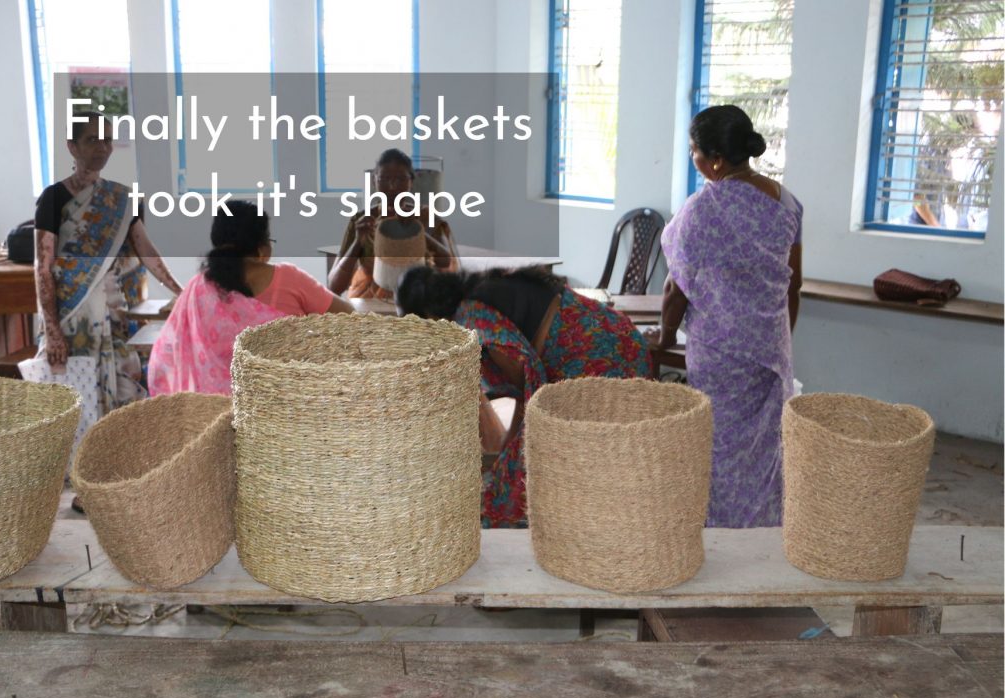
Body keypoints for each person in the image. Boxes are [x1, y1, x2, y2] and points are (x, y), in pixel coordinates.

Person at [397, 265, 651, 528]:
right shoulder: (476, 292)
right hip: (617, 336)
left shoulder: (473, 318)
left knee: (556, 471)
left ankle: (596, 528)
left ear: (428, 315)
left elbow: (531, 387)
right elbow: (527, 390)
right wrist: (509, 449)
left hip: (606, 355)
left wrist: (510, 466)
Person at [654, 104, 803, 528]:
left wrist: (664, 336)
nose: (692, 158)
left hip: (720, 354)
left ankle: (718, 530)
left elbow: (675, 287)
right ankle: (762, 531)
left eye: (693, 151)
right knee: (765, 447)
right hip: (771, 350)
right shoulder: (788, 203)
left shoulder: (702, 210)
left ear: (714, 158)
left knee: (718, 444)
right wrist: (780, 341)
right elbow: (794, 284)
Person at [35, 110, 183, 417]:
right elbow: (43, 266)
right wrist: (52, 331)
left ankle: (112, 459)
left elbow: (145, 250)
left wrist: (180, 292)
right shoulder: (53, 198)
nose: (102, 147)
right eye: (92, 140)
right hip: (69, 318)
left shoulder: (122, 199)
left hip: (111, 316)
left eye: (107, 140)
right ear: (72, 147)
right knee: (71, 401)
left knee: (122, 396)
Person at [148, 201, 353, 396]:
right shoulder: (289, 279)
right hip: (285, 412)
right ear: (263, 249)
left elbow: (166, 355)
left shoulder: (197, 289)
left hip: (212, 416)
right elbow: (348, 315)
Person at [328, 149, 457, 299]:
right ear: (374, 182)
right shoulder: (363, 221)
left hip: (418, 303)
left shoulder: (424, 216)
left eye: (401, 179)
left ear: (411, 182)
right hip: (370, 306)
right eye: (384, 179)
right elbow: (334, 286)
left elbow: (445, 263)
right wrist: (358, 242)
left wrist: (419, 232)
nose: (392, 187)